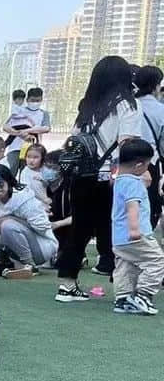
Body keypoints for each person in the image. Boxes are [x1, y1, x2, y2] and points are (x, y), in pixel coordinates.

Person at [56, 56, 142, 303]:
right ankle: (124, 288)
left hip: (81, 177)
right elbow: (128, 144)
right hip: (109, 178)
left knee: (79, 230)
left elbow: (75, 140)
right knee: (116, 231)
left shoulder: (87, 106)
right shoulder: (127, 104)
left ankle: (67, 284)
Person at [110, 138, 164, 315]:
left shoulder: (119, 180)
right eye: (148, 164)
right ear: (139, 165)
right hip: (135, 235)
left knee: (126, 265)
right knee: (157, 260)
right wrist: (135, 230)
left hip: (119, 237)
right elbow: (132, 207)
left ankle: (123, 299)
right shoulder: (134, 183)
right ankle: (143, 294)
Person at [0, 164, 58, 278]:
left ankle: (29, 265)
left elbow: (43, 227)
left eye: (1, 184)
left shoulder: (23, 197)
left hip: (42, 246)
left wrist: (10, 219)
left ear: (8, 182)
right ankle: (6, 262)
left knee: (7, 225)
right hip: (8, 247)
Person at [133, 65, 164, 228]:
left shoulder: (128, 106)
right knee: (148, 208)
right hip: (150, 165)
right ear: (156, 85)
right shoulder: (160, 110)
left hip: (125, 164)